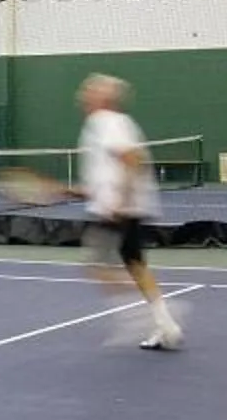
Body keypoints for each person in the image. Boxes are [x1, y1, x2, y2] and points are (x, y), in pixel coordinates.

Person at [78, 74, 181, 351]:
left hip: (120, 209)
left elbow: (133, 160)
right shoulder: (110, 124)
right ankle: (164, 323)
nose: (84, 94)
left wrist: (121, 201)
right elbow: (116, 168)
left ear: (104, 98)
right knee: (136, 266)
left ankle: (146, 316)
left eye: (91, 90)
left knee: (97, 266)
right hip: (124, 206)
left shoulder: (107, 122)